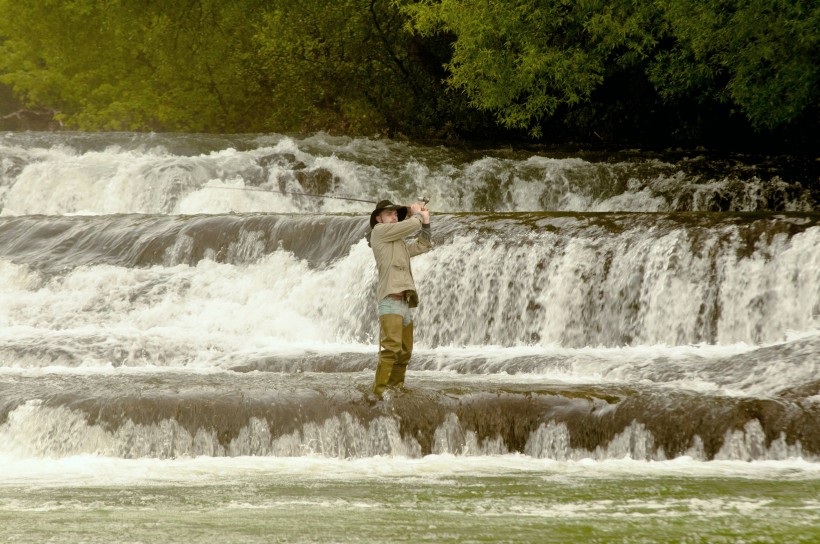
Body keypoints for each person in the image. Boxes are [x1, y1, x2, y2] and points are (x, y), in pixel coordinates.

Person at [368, 199, 432, 398]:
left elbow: (424, 244)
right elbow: (411, 225)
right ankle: (378, 394)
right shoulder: (378, 232)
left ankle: (395, 391)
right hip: (390, 301)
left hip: (404, 303)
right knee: (390, 350)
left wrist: (426, 222)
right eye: (389, 214)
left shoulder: (399, 244)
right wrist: (417, 215)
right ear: (379, 218)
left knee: (404, 353)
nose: (394, 216)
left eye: (396, 214)